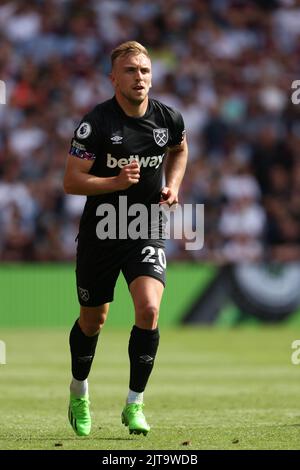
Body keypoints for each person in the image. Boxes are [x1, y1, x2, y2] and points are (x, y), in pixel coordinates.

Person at [63, 41, 188, 437]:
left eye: (146, 71)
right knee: (93, 320)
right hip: (101, 230)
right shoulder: (96, 123)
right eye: (131, 71)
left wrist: (173, 185)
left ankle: (134, 404)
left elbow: (180, 150)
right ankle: (79, 391)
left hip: (144, 225)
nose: (140, 78)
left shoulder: (168, 118)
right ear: (113, 78)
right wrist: (114, 182)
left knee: (149, 310)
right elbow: (71, 181)